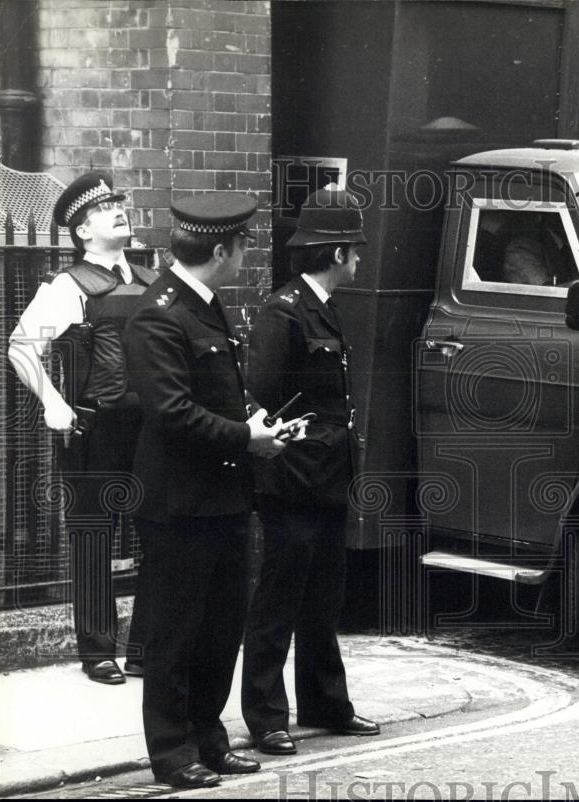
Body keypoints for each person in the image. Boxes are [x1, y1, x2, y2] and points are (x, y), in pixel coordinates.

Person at [123, 193, 286, 789]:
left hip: (222, 497)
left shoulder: (206, 305)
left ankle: (209, 740)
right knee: (174, 632)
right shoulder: (158, 314)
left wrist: (257, 422)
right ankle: (171, 752)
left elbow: (218, 391)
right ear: (222, 250)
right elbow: (171, 413)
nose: (247, 253)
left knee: (221, 627)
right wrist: (247, 438)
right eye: (243, 244)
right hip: (178, 503)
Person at [242, 187, 379, 758]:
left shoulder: (320, 305)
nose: (359, 259)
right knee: (278, 601)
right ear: (338, 252)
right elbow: (259, 399)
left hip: (325, 479)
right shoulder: (283, 311)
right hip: (292, 481)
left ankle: (325, 702)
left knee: (323, 599)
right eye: (354, 249)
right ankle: (266, 715)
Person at [7, 171, 156, 685]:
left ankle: (143, 648)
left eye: (119, 203)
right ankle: (98, 652)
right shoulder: (69, 285)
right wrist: (51, 401)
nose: (119, 211)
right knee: (94, 536)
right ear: (82, 232)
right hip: (97, 428)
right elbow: (22, 347)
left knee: (158, 533)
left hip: (153, 427)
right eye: (103, 209)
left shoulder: (152, 282)